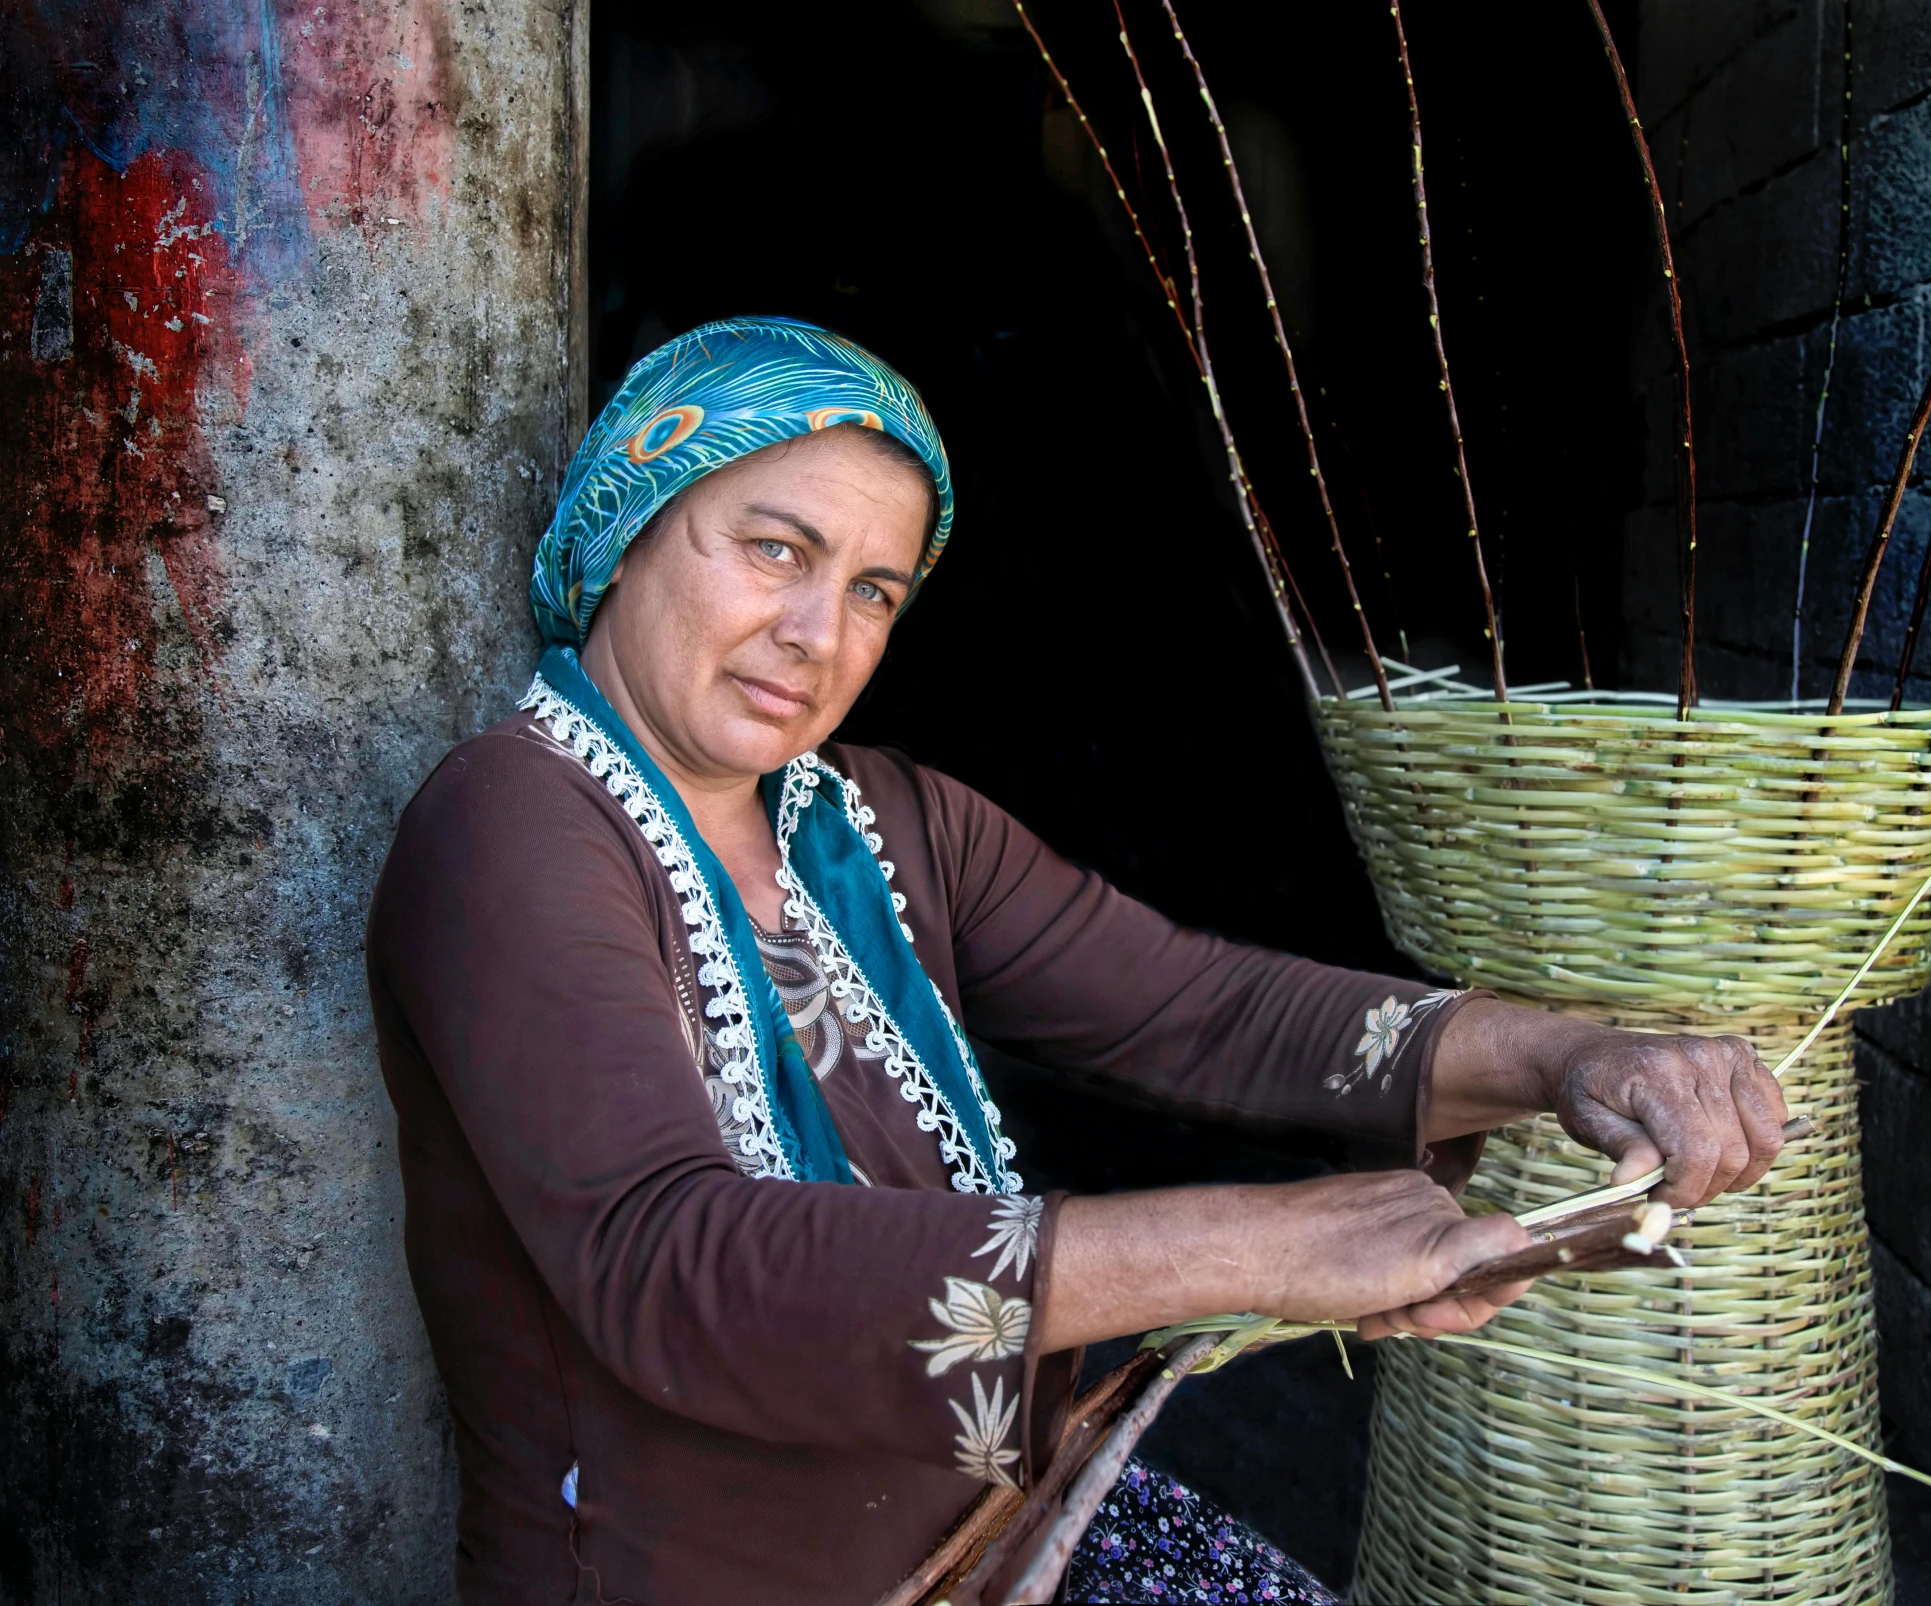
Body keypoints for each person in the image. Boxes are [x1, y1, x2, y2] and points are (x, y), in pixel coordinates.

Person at [366, 317, 1789, 1605]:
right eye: (773, 549)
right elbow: (667, 1260)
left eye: (873, 589)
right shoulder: (513, 826)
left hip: (993, 1527)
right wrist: (1266, 1245)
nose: (816, 634)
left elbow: (1202, 1009)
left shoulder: (879, 821)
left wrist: (1569, 1056)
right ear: (629, 527)